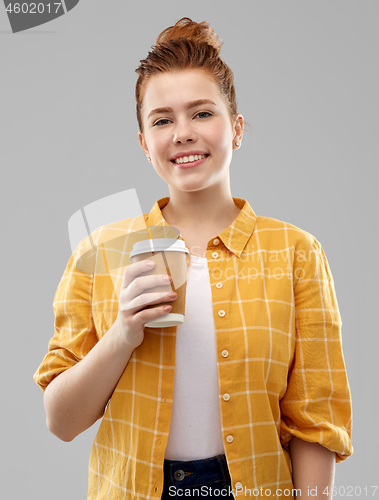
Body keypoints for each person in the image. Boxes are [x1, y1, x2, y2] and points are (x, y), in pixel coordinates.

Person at [34, 17, 353, 500]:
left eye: (202, 114)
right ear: (145, 144)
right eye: (162, 120)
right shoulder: (101, 250)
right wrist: (123, 333)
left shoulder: (296, 253)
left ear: (237, 127)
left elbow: (315, 422)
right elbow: (61, 420)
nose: (183, 133)